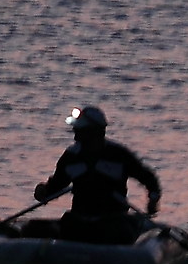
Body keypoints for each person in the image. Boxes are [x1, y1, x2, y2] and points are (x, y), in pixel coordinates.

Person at [32, 104, 160, 244]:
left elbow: (148, 178)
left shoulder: (119, 155)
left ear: (95, 132)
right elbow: (56, 185)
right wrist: (43, 192)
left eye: (81, 129)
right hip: (80, 219)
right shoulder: (70, 157)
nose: (75, 132)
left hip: (112, 220)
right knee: (39, 229)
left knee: (121, 232)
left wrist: (153, 199)